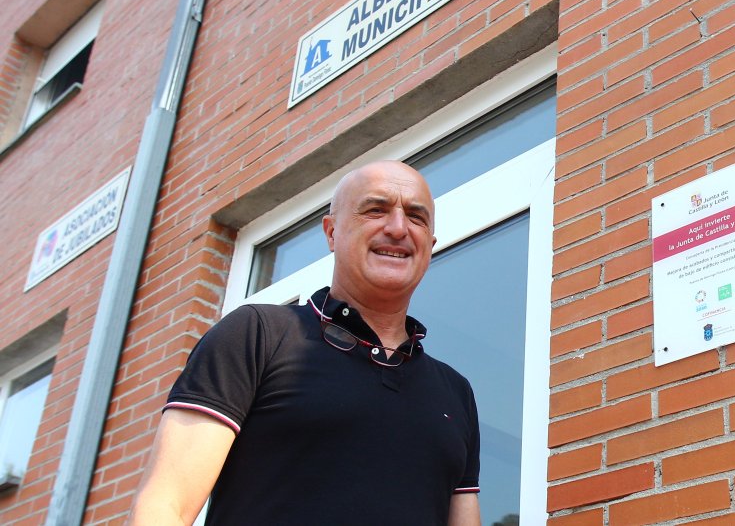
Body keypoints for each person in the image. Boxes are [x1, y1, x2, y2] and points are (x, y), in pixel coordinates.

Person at [129, 161, 481, 525]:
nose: (397, 228)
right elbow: (164, 504)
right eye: (376, 210)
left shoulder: (455, 393)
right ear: (331, 232)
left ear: (431, 244)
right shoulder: (257, 334)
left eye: (416, 217)